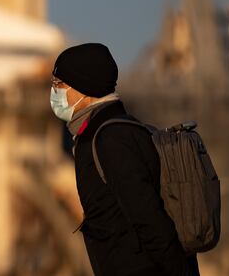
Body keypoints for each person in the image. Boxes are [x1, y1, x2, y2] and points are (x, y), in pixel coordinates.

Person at [51, 42, 199, 276]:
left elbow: (148, 218)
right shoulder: (101, 133)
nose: (55, 92)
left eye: (60, 84)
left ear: (83, 85)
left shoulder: (111, 139)